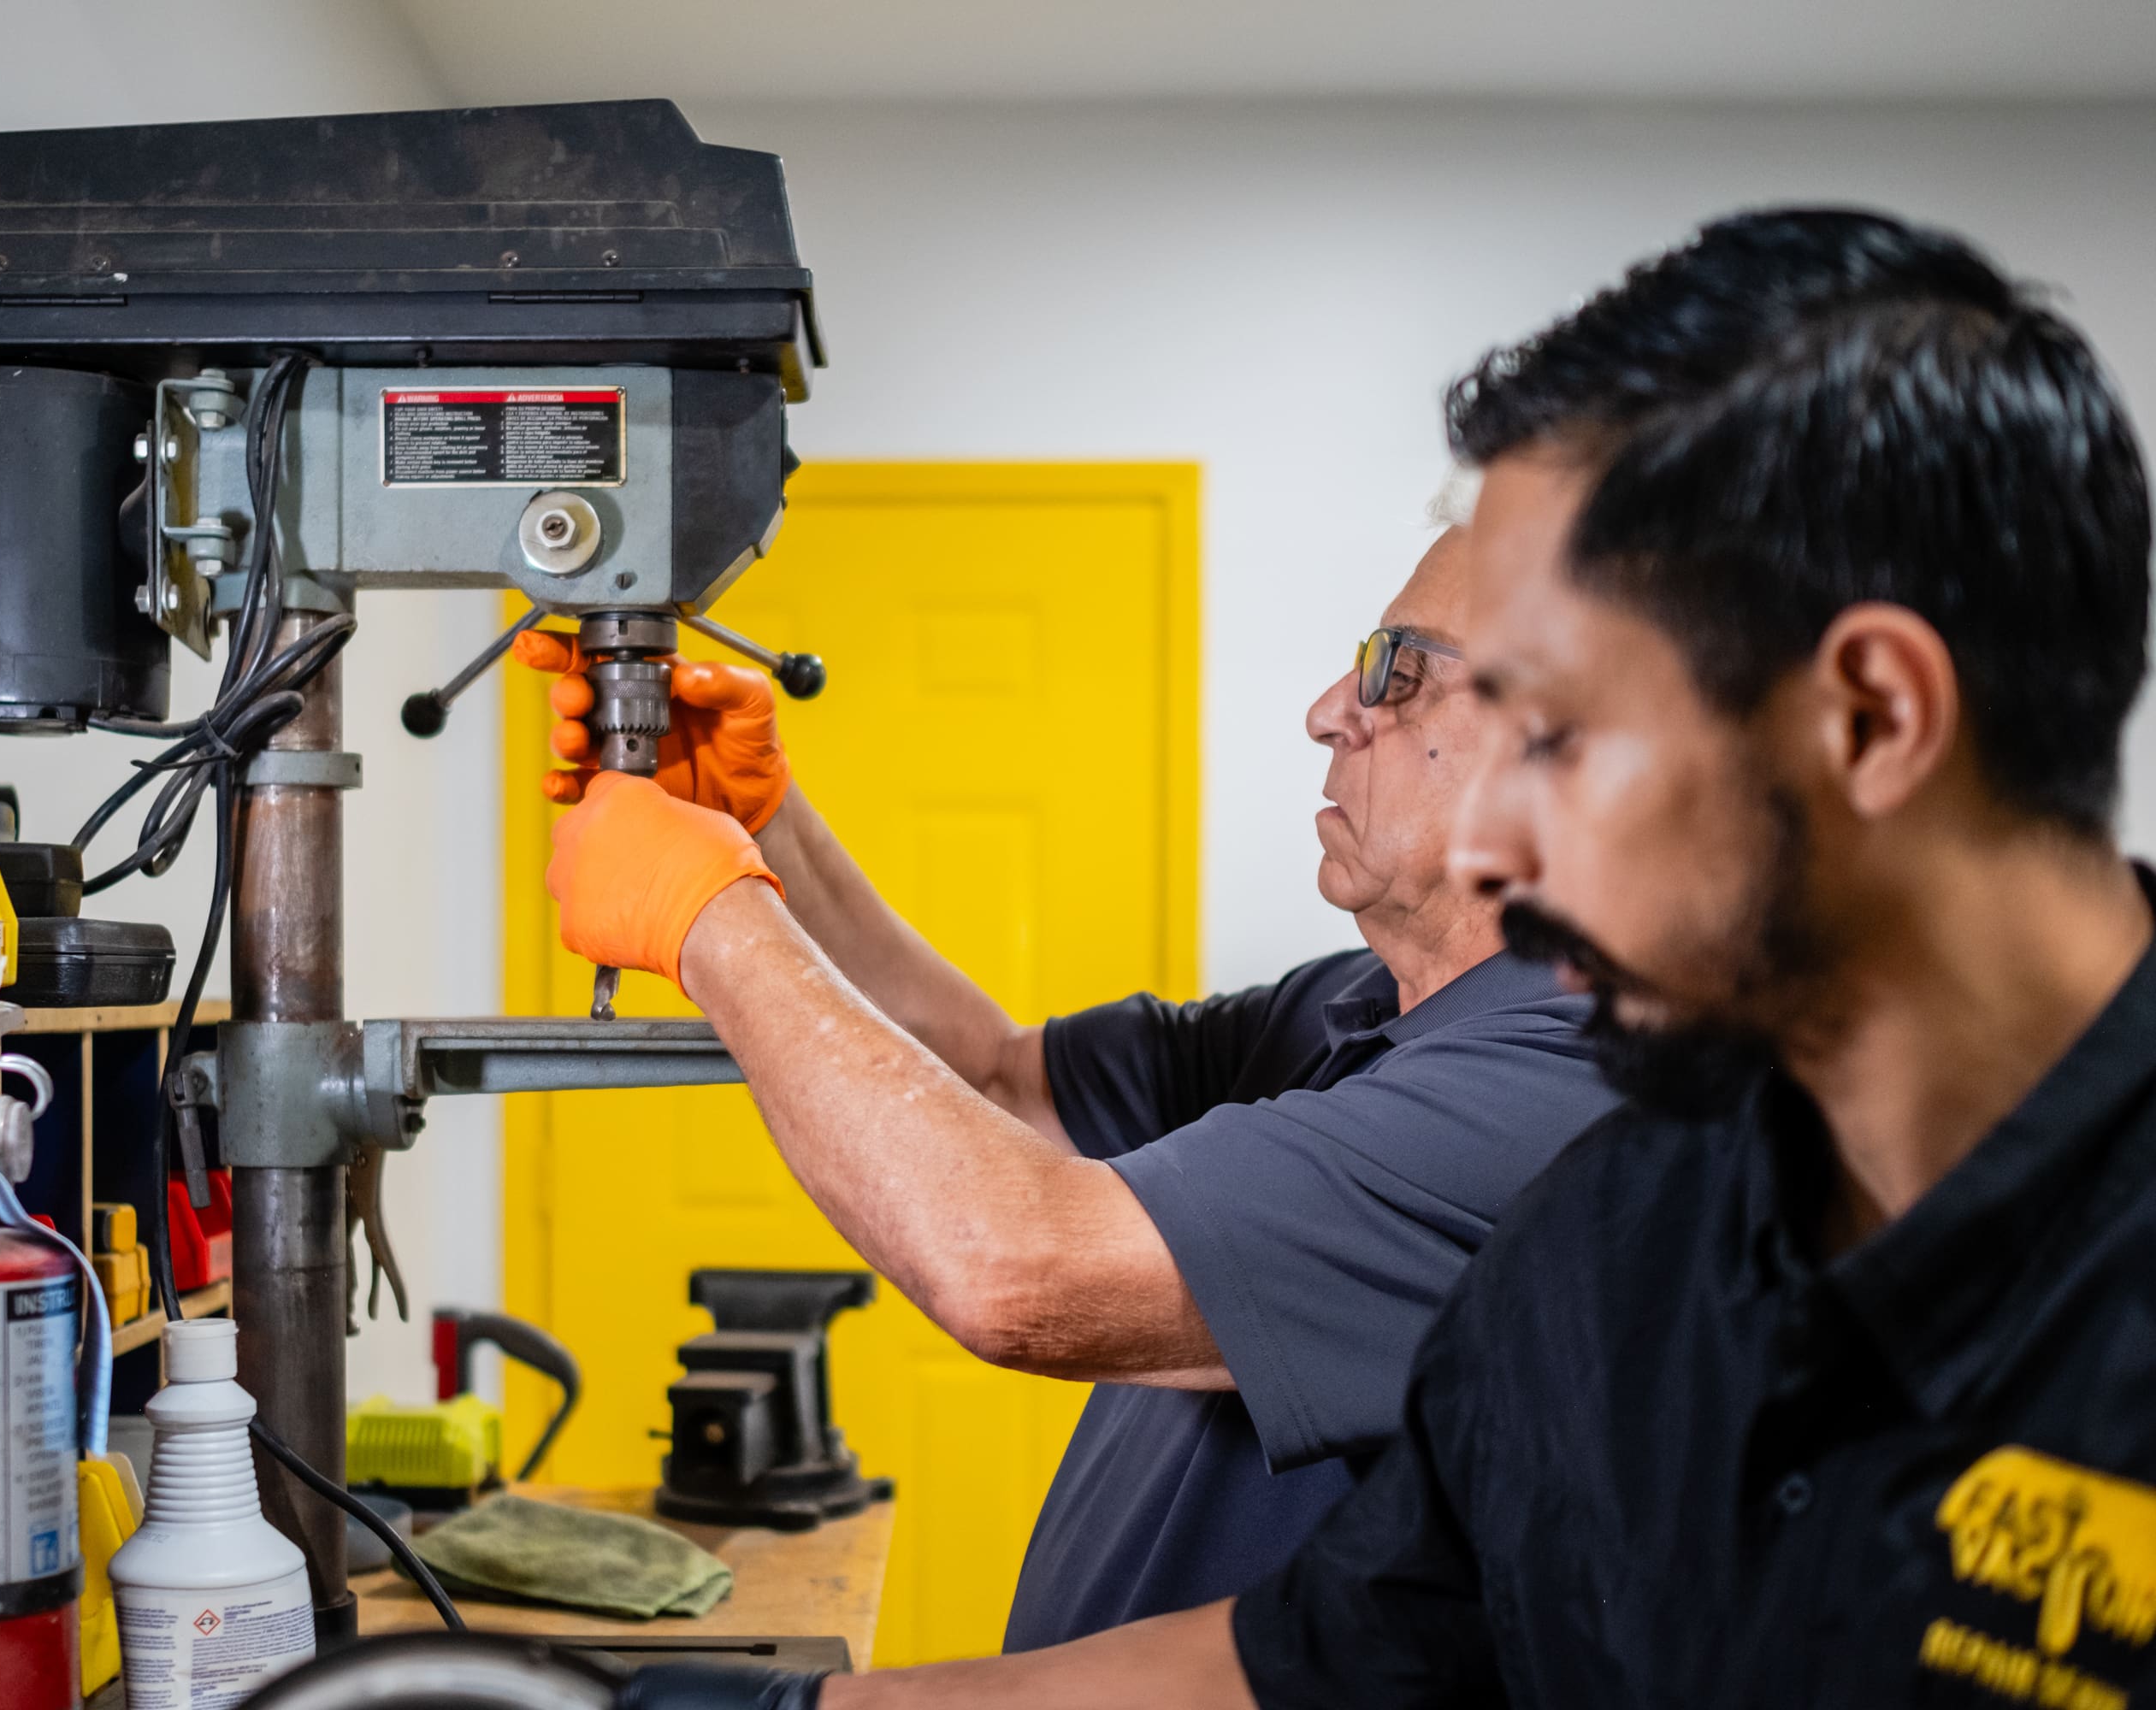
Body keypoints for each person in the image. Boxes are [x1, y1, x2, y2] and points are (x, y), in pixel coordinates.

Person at [598, 203, 2156, 1707]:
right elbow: (1322, 1657)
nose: (1492, 854)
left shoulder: (1585, 1118)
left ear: (1868, 719)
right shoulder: (1621, 1236)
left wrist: (712, 910)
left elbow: (1022, 1265)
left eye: (1559, 733)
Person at [517, 510, 1620, 1647]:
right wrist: (755, 825)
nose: (1331, 712)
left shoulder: (1568, 1101)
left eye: (1398, 672)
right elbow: (1000, 1083)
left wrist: (707, 919)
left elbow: (1016, 1270)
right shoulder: (1347, 1009)